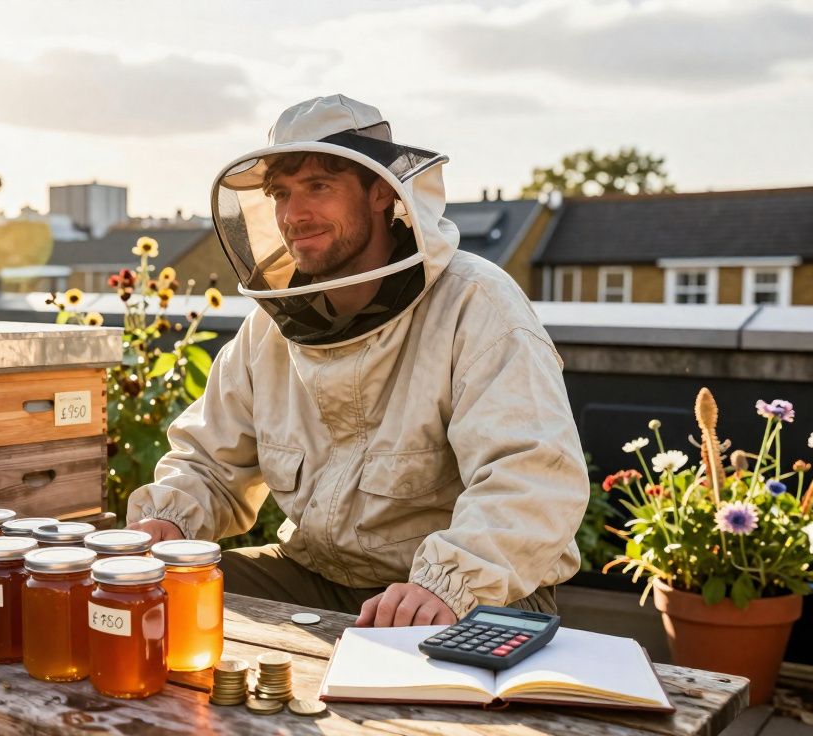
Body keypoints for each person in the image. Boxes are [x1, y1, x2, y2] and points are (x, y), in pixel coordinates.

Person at [126, 94, 589, 627]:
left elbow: (530, 475)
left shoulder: (477, 304)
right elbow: (209, 462)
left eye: (319, 187)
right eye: (281, 193)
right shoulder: (268, 329)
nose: (294, 215)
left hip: (471, 593)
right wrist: (169, 521)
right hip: (316, 577)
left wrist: (448, 583)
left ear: (380, 193)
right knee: (158, 593)